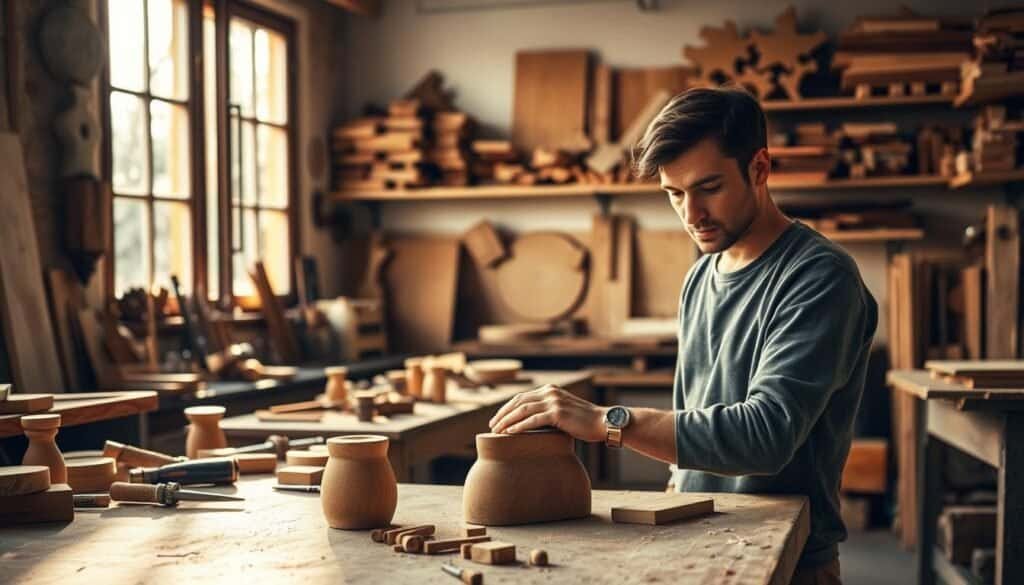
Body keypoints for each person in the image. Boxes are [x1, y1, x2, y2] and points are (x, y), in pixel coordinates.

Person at [488, 86, 878, 585]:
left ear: (759, 168)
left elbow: (766, 436)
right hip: (697, 540)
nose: (691, 215)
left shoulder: (820, 278)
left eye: (709, 187)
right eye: (674, 194)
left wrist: (609, 421)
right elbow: (694, 408)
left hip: (787, 556)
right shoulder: (701, 275)